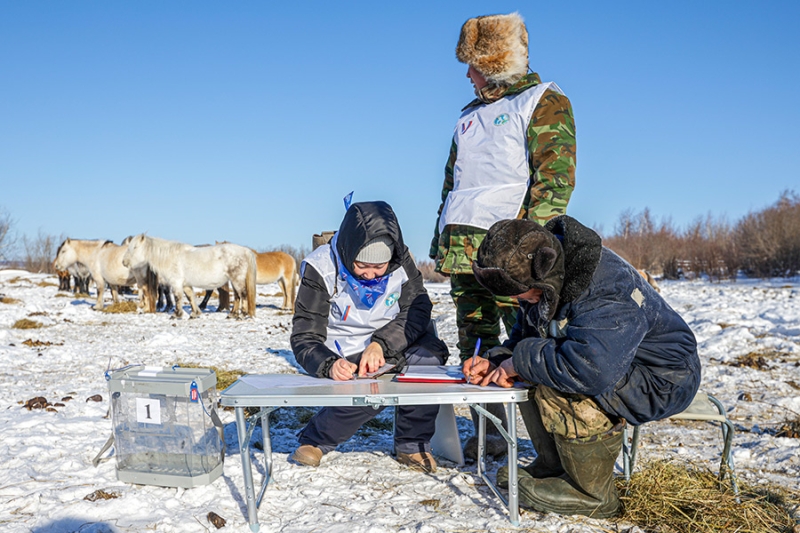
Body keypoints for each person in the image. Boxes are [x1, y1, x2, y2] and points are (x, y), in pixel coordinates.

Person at [464, 215, 701, 517]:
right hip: (617, 366)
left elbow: (591, 369)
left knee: (553, 369)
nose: (515, 300)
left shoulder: (604, 286)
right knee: (530, 362)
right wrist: (497, 362)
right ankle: (555, 465)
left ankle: (591, 492)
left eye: (517, 293)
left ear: (540, 273)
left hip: (662, 379)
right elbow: (525, 339)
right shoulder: (545, 278)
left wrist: (520, 360)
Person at [430, 12, 577, 459]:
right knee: (473, 335)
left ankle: (542, 436)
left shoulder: (543, 101)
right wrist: (441, 237)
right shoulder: (468, 117)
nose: (468, 74)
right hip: (462, 247)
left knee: (525, 334)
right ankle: (490, 430)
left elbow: (554, 183)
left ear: (495, 63)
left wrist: (530, 248)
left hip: (510, 251)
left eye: (474, 64)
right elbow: (451, 183)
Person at [291, 201, 449, 472]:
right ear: (349, 251)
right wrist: (329, 364)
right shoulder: (321, 267)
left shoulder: (401, 260)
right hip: (345, 348)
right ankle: (316, 440)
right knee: (372, 387)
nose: (371, 274)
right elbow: (305, 336)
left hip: (394, 339)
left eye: (380, 267)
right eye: (362, 265)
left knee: (429, 361)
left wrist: (381, 344)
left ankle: (412, 445)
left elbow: (418, 308)